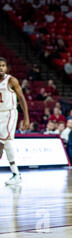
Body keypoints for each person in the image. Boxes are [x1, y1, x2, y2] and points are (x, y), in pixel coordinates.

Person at [0, 57, 30, 185]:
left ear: (6, 68)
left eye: (2, 65)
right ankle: (16, 174)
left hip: (9, 113)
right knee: (5, 144)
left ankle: (16, 174)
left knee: (4, 141)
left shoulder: (11, 80)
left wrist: (26, 118)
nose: (0, 68)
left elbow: (22, 99)